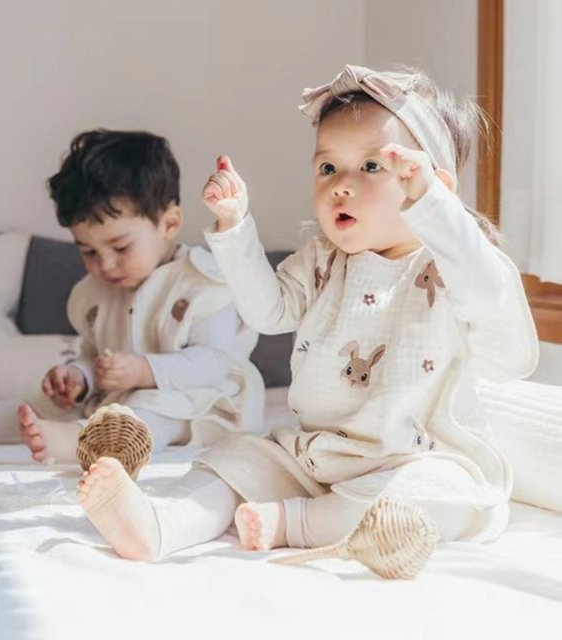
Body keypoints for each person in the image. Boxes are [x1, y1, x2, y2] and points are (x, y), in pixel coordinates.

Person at [77, 66, 538, 563]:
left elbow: (510, 351)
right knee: (235, 459)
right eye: (328, 168)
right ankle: (161, 524)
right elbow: (268, 312)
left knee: (436, 498)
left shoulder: (456, 267)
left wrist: (440, 217)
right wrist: (235, 227)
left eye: (371, 166)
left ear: (432, 188)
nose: (341, 185)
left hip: (413, 460)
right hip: (316, 457)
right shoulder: (322, 260)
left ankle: (296, 522)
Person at [16, 129, 264, 464]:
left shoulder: (204, 282)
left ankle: (89, 441)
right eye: (88, 251)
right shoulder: (96, 294)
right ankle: (81, 430)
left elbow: (213, 363)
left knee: (150, 410)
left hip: (201, 404)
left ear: (169, 224)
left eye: (120, 247)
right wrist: (80, 376)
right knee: (43, 404)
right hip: (123, 400)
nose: (105, 264)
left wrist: (142, 370)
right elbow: (95, 353)